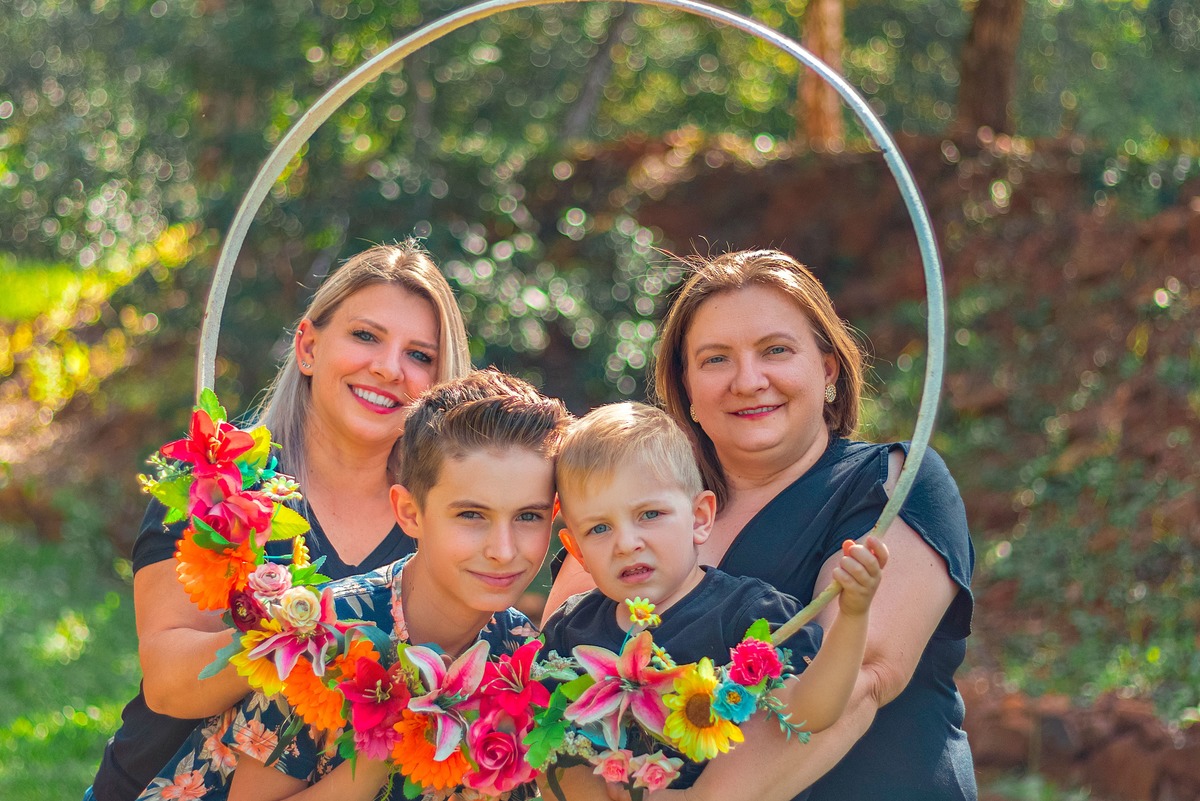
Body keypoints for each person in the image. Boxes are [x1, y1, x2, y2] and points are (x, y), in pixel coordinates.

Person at [546, 249, 976, 801]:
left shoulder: (892, 482)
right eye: (716, 359)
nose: (748, 380)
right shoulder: (632, 505)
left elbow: (862, 678)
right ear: (688, 390)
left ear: (826, 369)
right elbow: (560, 674)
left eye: (775, 350)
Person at [88, 240, 472, 801]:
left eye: (420, 355)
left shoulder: (441, 517)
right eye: (365, 336)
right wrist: (297, 632)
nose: (389, 368)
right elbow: (169, 684)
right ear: (309, 346)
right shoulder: (218, 480)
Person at [137, 368, 571, 801]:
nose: (503, 549)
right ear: (410, 512)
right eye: (471, 515)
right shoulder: (324, 635)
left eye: (528, 516)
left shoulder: (523, 657)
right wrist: (382, 757)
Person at [540, 401, 888, 794]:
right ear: (577, 550)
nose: (626, 543)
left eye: (650, 515)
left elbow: (811, 711)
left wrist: (853, 615)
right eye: (600, 528)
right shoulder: (569, 632)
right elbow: (545, 746)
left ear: (700, 517)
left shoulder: (748, 613)